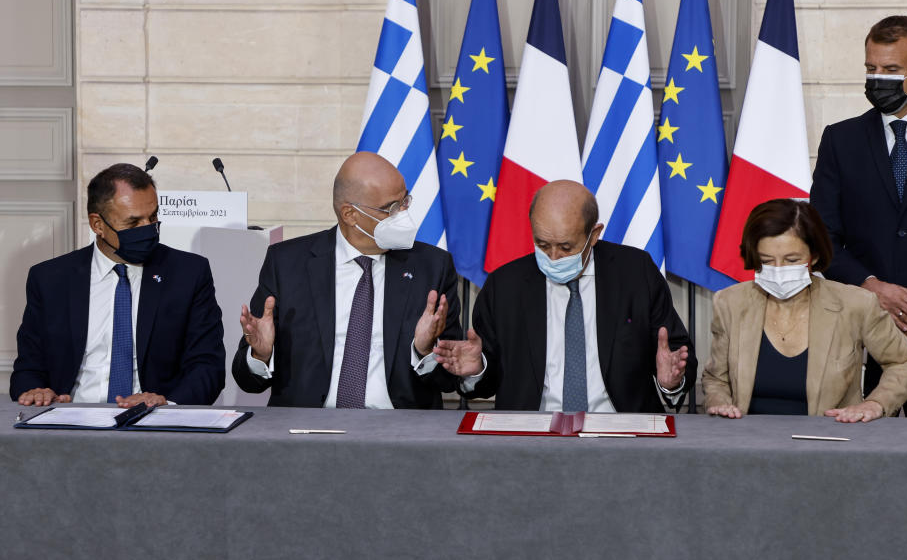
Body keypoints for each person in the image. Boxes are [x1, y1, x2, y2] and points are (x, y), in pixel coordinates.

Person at [432, 180, 696, 412]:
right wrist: (478, 369)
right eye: (543, 245)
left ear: (594, 234)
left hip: (620, 432)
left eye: (566, 247)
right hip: (530, 436)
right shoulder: (504, 285)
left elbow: (676, 356)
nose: (553, 257)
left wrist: (671, 381)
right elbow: (485, 383)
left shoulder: (636, 273)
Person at [810, 15, 907, 419]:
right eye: (871, 69)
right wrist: (871, 286)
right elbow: (821, 236)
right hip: (860, 335)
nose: (878, 79)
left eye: (891, 70)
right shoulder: (840, 140)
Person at [232, 152, 460, 408]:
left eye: (405, 200)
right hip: (306, 432)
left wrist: (425, 351)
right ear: (350, 215)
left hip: (400, 432)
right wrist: (260, 355)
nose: (404, 213)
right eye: (392, 208)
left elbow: (452, 381)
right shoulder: (286, 264)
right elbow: (247, 381)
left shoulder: (433, 267)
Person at [11, 163, 226, 407]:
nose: (148, 229)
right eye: (133, 223)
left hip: (153, 424)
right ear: (98, 225)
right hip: (69, 420)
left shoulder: (188, 274)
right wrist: (36, 392)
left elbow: (208, 367)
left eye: (153, 217)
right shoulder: (50, 279)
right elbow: (28, 367)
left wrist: (167, 404)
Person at [703, 199, 907, 421]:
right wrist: (720, 403)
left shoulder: (855, 304)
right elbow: (716, 378)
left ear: (814, 256)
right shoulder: (731, 302)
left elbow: (906, 361)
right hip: (748, 443)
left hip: (831, 443)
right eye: (767, 261)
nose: (779, 270)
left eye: (791, 260)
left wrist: (876, 404)